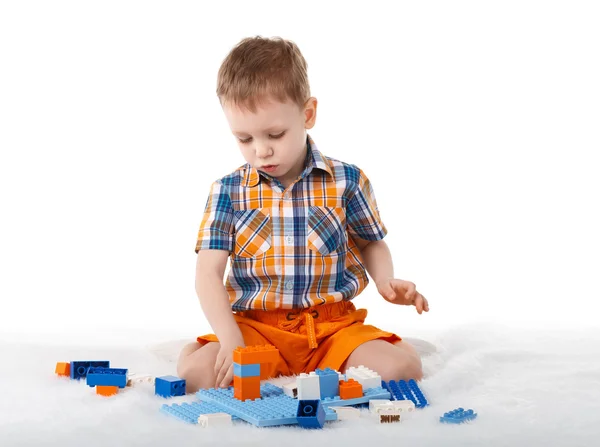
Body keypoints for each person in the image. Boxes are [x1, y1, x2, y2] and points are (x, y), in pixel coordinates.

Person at [177, 36, 430, 393]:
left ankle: (379, 350)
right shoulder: (228, 191)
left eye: (275, 134)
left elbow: (371, 243)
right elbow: (207, 273)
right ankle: (200, 349)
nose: (261, 150)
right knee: (198, 376)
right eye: (244, 139)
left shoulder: (347, 180)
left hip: (331, 329)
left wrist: (386, 282)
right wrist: (230, 339)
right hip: (256, 329)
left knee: (401, 370)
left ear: (307, 114)